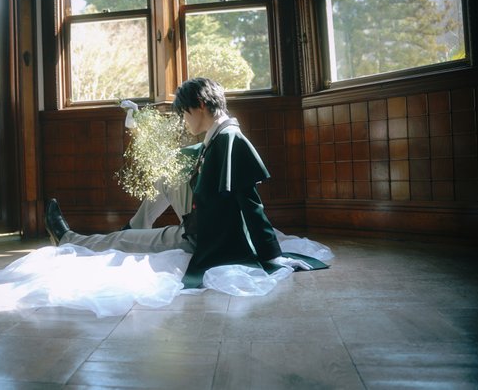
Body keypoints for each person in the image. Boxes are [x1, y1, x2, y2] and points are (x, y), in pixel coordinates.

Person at [46, 77, 319, 288]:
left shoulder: (229, 139)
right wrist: (139, 125)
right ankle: (136, 227)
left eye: (185, 113)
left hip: (202, 238)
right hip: (204, 220)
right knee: (169, 170)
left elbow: (251, 204)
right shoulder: (219, 134)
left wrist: (271, 255)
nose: (184, 121)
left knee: (121, 239)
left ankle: (70, 239)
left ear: (200, 105)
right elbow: (180, 157)